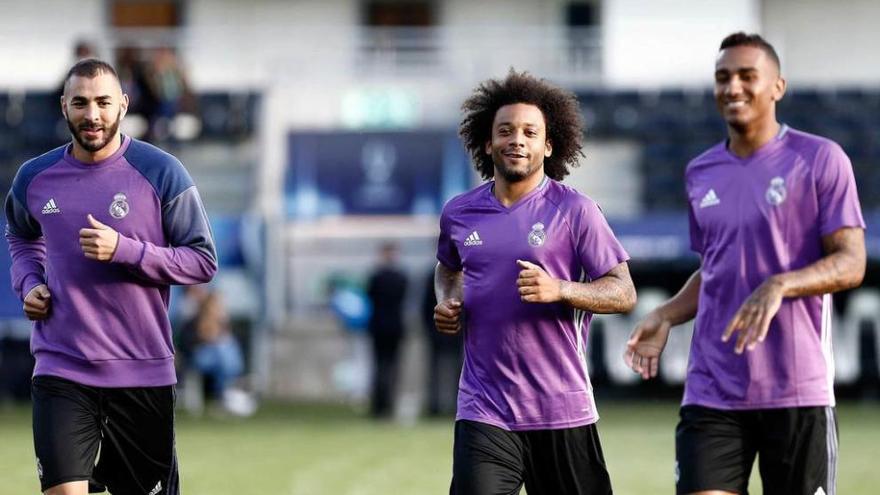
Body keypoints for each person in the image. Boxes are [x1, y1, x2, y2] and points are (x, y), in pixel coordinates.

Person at [625, 32, 865, 495]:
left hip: (796, 389)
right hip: (713, 388)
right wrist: (665, 315)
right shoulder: (700, 172)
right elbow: (713, 267)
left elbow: (851, 263)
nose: (732, 87)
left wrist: (780, 284)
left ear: (777, 86)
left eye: (746, 76)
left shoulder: (820, 160)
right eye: (722, 77)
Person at [5, 58, 217, 495]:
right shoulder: (34, 178)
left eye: (103, 102)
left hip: (141, 371)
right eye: (80, 103)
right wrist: (30, 284)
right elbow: (22, 238)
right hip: (61, 366)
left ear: (123, 103)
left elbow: (201, 260)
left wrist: (125, 250)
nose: (92, 114)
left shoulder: (162, 172)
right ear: (64, 106)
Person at [435, 70, 637, 495]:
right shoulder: (459, 213)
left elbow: (623, 291)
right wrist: (449, 300)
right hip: (484, 408)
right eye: (505, 131)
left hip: (562, 409)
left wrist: (561, 289)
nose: (517, 140)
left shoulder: (577, 211)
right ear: (487, 143)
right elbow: (448, 267)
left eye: (530, 131)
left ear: (548, 144)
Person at [365, 241, 408, 418]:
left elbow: (370, 296)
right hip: (395, 327)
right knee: (392, 367)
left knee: (379, 366)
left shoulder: (376, 277)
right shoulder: (401, 278)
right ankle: (389, 405)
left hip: (379, 326)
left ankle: (378, 406)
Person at [420, 266, 461, 416]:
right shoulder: (459, 273)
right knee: (447, 369)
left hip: (447, 331)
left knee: (444, 369)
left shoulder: (433, 274)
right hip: (449, 330)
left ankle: (439, 405)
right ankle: (440, 405)